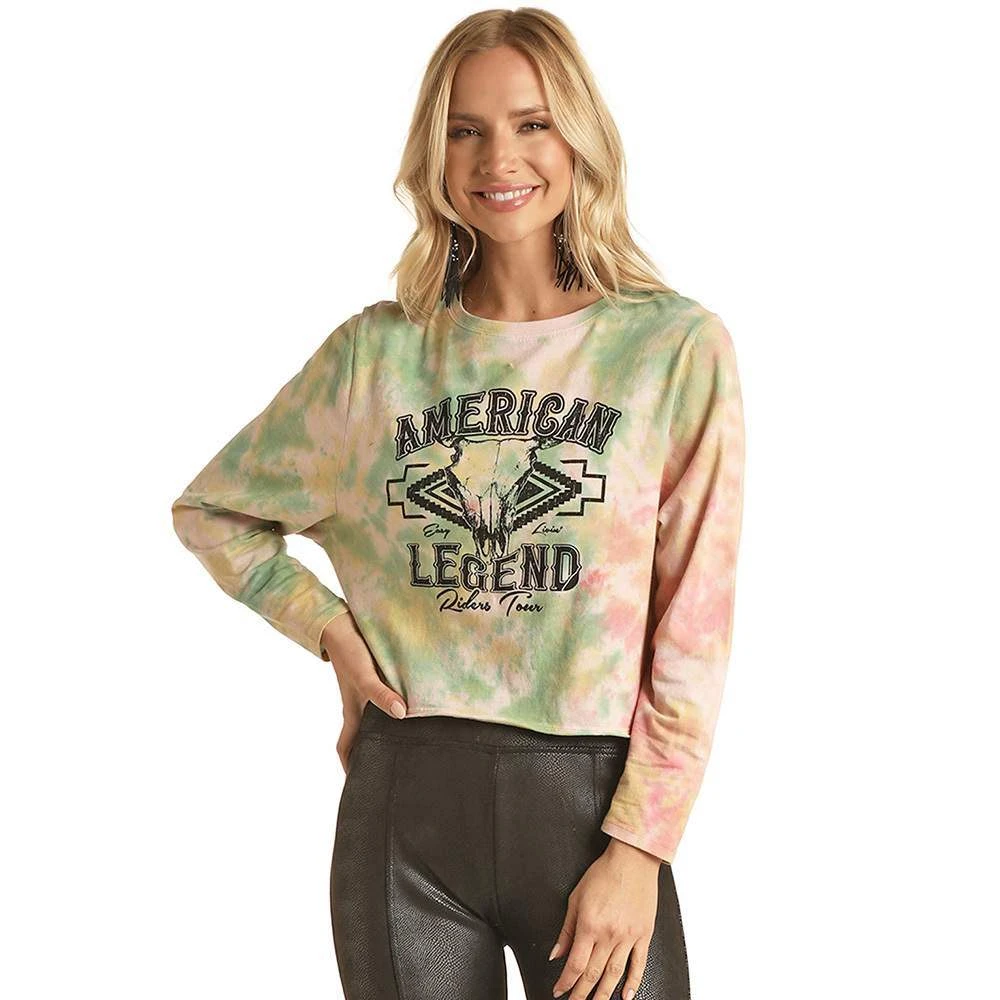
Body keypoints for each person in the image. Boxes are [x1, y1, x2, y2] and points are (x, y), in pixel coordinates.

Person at [170, 9, 745, 1000]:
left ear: (579, 137)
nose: (498, 158)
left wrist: (640, 849)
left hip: (591, 811)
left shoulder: (671, 349)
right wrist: (334, 638)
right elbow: (214, 512)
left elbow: (692, 629)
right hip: (405, 813)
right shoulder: (376, 355)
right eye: (464, 129)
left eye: (531, 123)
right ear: (432, 153)